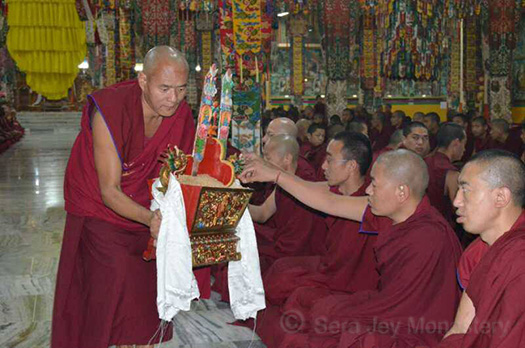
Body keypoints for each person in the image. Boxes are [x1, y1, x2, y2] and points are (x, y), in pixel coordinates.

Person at [51, 46, 207, 348]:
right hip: (101, 209)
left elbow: (182, 173)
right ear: (143, 81)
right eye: (164, 89)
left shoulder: (181, 115)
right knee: (115, 275)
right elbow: (109, 190)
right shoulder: (110, 109)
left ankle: (140, 342)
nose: (173, 99)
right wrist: (152, 219)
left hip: (146, 208)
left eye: (181, 89)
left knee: (149, 284)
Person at [240, 149, 462, 348]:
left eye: (375, 184)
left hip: (407, 321)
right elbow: (330, 202)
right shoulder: (392, 212)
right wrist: (274, 174)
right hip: (385, 304)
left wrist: (351, 315)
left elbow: (407, 310)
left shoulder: (429, 236)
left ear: (401, 192)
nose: (368, 190)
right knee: (309, 303)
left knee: (324, 324)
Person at [256, 132, 379, 348]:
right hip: (329, 267)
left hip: (351, 282)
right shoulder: (334, 187)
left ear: (351, 166)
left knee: (305, 301)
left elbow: (330, 203)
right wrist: (269, 172)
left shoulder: (370, 204)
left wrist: (274, 175)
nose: (323, 166)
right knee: (279, 272)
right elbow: (306, 186)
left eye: (330, 159)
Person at [437, 150, 525, 348]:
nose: (456, 201)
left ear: (501, 197)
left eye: (466, 190)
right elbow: (460, 327)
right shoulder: (477, 251)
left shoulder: (520, 257)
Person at [424, 123, 466, 227]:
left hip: (421, 223)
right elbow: (457, 209)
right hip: (441, 227)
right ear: (456, 143)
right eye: (464, 144)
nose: (464, 149)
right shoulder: (451, 172)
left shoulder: (423, 162)